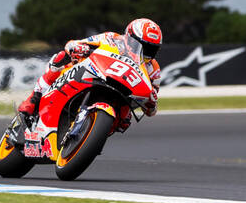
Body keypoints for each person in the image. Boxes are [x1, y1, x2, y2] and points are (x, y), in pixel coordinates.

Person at [17, 18, 163, 132]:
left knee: (125, 121)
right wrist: (79, 48)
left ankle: (88, 137)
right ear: (129, 36)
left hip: (120, 95)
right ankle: (32, 100)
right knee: (61, 58)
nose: (145, 52)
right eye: (142, 46)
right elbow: (74, 44)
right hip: (93, 75)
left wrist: (151, 102)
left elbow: (151, 108)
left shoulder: (153, 69)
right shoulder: (111, 38)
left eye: (151, 49)